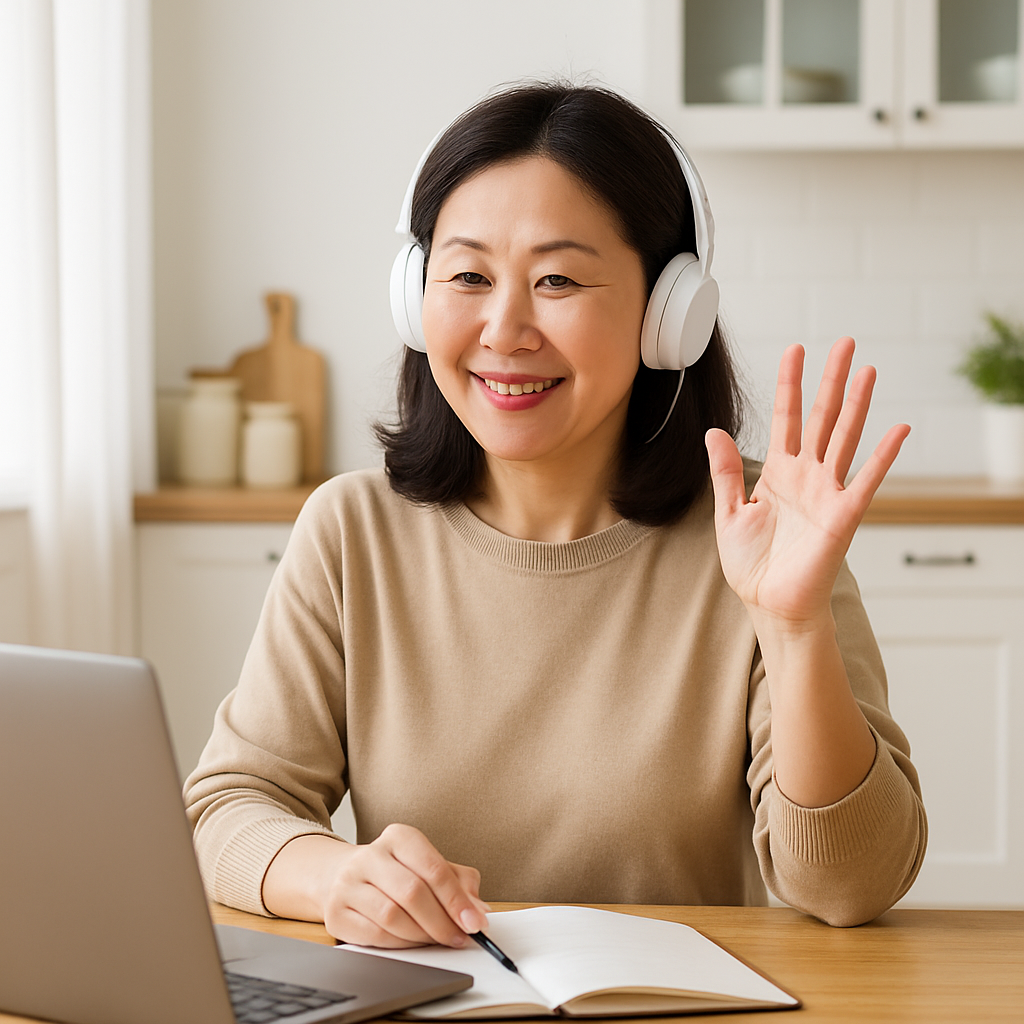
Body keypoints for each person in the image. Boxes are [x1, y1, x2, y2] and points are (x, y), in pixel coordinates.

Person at [184, 81, 926, 948]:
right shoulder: (353, 531)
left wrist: (793, 630)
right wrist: (334, 877)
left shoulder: (764, 539)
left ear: (668, 314)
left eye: (558, 279)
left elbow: (850, 887)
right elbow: (229, 809)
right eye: (467, 276)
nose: (505, 328)